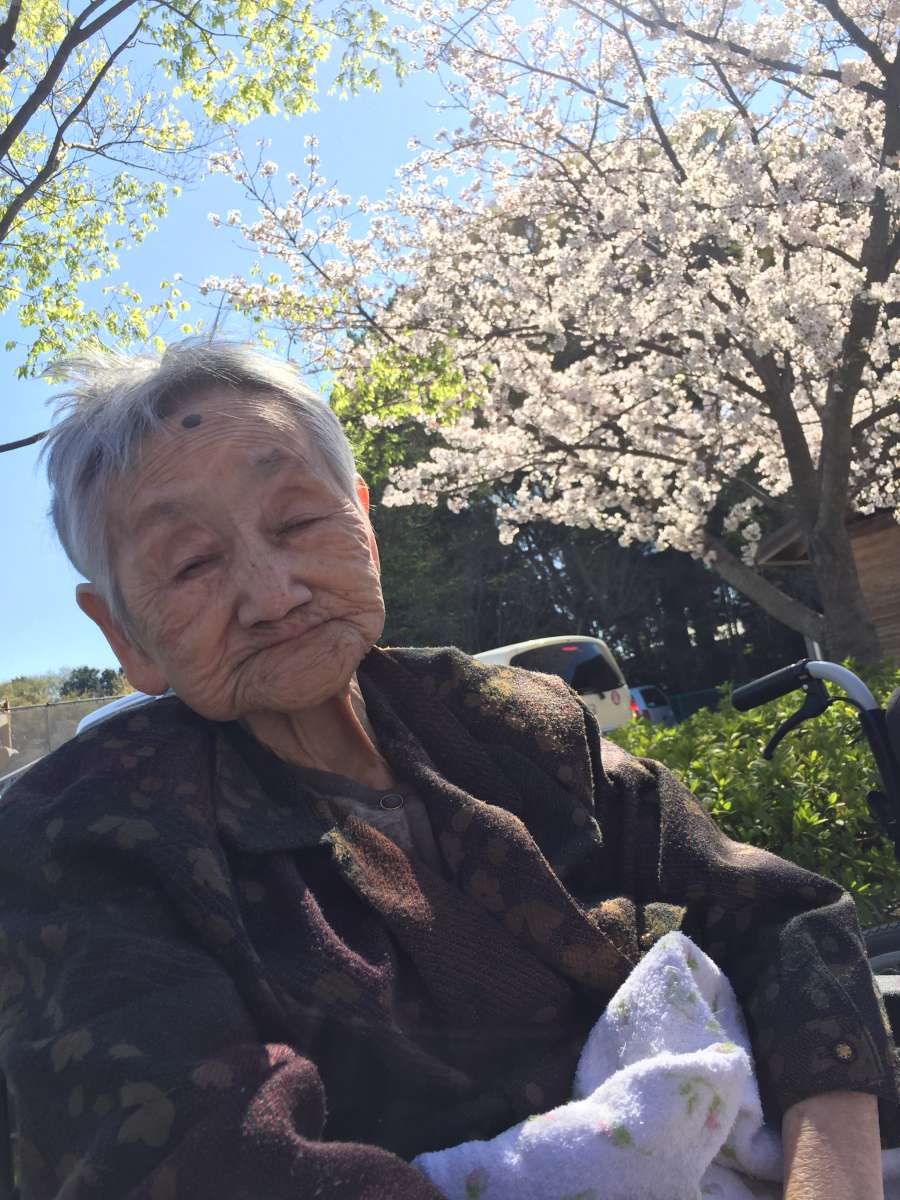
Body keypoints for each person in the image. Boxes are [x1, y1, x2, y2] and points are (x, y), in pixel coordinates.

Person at [0, 340, 893, 1200]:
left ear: (363, 522)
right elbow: (192, 1162)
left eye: (298, 521)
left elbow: (778, 915)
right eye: (192, 563)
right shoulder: (80, 842)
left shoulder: (512, 720)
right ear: (121, 634)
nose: (273, 594)